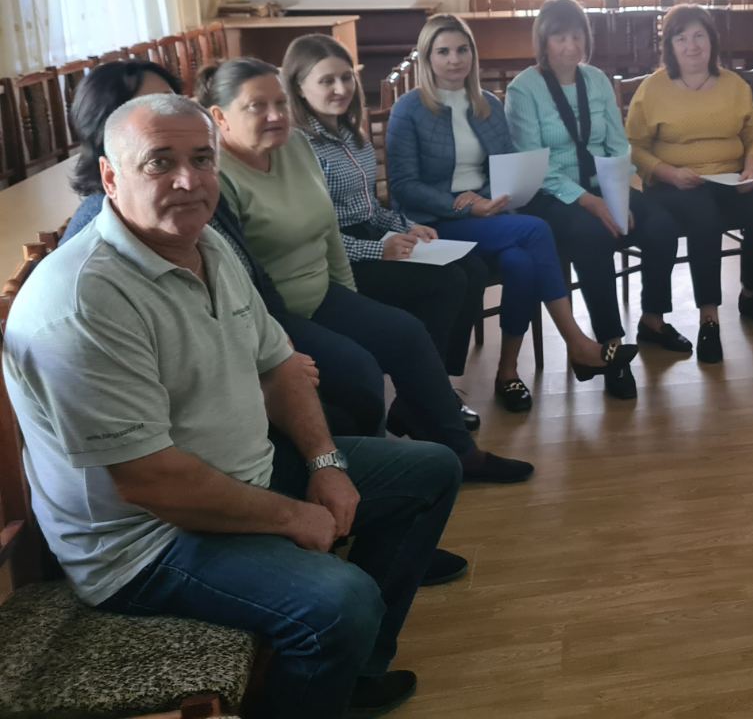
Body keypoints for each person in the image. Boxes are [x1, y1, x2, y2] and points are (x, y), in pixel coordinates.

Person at [2, 94, 458, 717]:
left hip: (241, 473)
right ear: (110, 177)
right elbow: (151, 482)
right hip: (145, 543)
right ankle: (328, 662)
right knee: (340, 601)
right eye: (159, 162)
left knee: (431, 471)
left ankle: (348, 674)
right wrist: (293, 516)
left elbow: (278, 364)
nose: (188, 181)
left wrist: (325, 464)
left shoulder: (208, 245)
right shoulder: (83, 300)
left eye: (202, 159)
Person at [199, 57, 533, 485]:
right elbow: (237, 281)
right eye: (256, 106)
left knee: (406, 333)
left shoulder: (295, 146)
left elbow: (328, 230)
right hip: (273, 315)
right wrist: (279, 342)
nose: (276, 115)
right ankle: (370, 478)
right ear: (220, 117)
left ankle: (461, 453)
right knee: (360, 370)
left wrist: (353, 299)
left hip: (322, 290)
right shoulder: (217, 178)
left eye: (280, 103)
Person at [61, 59, 386, 442]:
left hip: (254, 333)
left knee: (360, 380)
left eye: (173, 100)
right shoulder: (99, 238)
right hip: (207, 388)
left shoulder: (200, 189)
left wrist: (277, 343)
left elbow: (248, 276)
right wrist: (266, 365)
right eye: (149, 106)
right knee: (343, 408)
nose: (170, 114)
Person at [386, 14, 636, 410]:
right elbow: (402, 186)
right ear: (427, 57)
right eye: (443, 51)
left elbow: (505, 167)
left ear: (473, 54)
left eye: (462, 50)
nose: (454, 59)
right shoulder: (409, 108)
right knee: (535, 231)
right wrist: (464, 203)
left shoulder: (487, 105)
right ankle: (577, 343)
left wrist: (486, 199)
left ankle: (507, 372)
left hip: (486, 216)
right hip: (431, 223)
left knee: (521, 264)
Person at [283, 35, 489, 428]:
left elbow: (371, 209)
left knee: (474, 269)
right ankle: (426, 397)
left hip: (369, 236)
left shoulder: (352, 135)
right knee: (445, 282)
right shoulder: (298, 146)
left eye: (346, 78)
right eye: (326, 81)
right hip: (338, 257)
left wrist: (409, 227)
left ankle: (428, 390)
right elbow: (318, 233)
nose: (341, 88)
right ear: (299, 87)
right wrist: (379, 250)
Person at [505, 0, 684, 395]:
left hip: (603, 184)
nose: (570, 46)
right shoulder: (524, 89)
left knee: (661, 225)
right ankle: (609, 345)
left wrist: (620, 193)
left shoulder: (597, 80)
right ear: (543, 41)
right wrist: (591, 202)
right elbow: (533, 163)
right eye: (560, 38)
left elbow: (617, 145)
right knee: (591, 236)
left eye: (577, 36)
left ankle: (653, 320)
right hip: (551, 194)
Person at [625, 4, 753, 365]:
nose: (692, 45)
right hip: (674, 183)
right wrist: (668, 172)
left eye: (699, 36)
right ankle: (708, 317)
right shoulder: (653, 89)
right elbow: (633, 146)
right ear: (670, 46)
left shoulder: (734, 85)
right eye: (681, 38)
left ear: (712, 41)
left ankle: (752, 295)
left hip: (730, 178)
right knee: (703, 214)